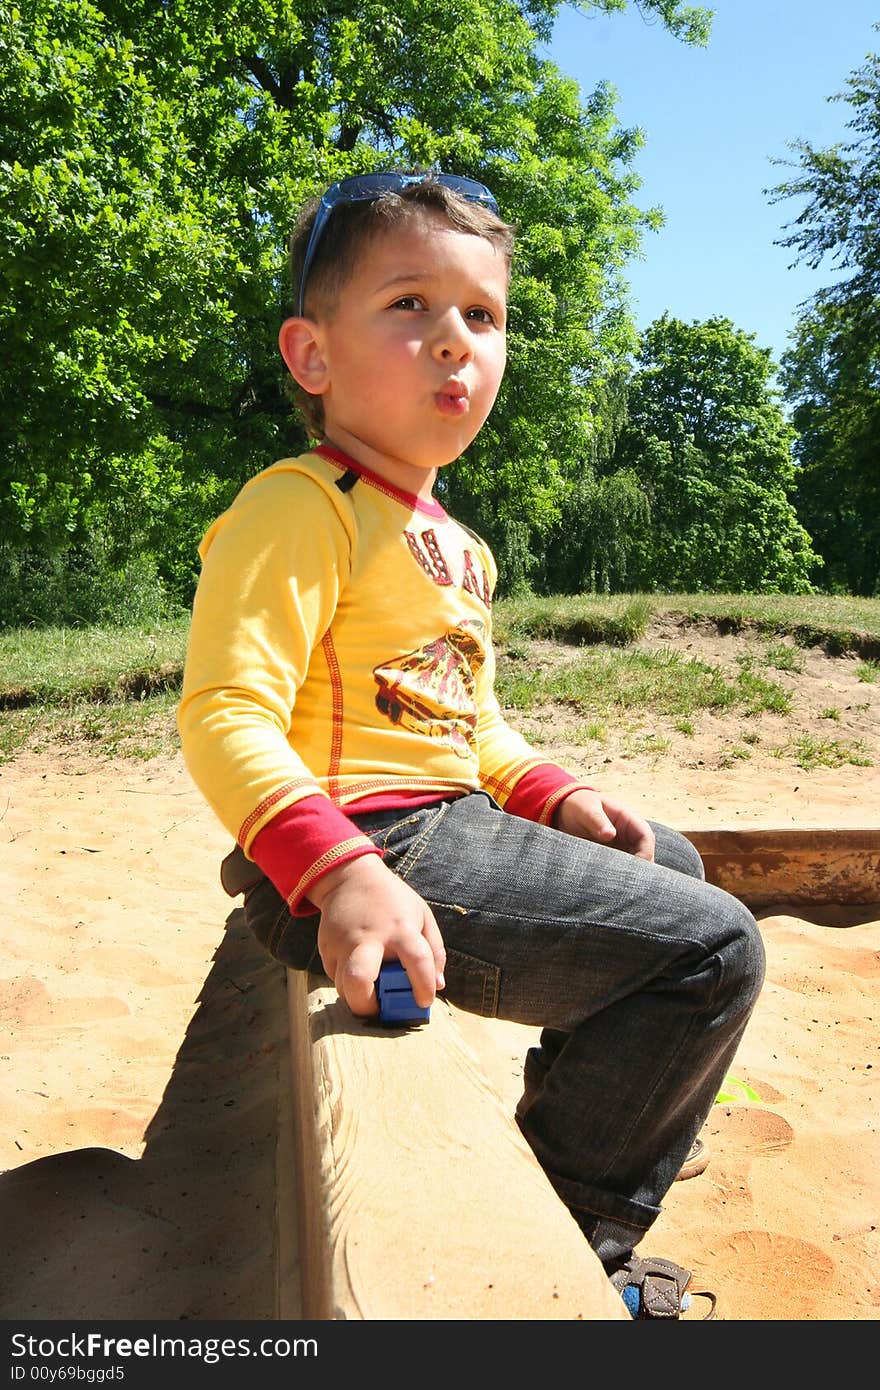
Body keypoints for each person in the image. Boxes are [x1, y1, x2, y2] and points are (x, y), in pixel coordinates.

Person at [177, 169, 765, 1320]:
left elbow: (465, 722)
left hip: (438, 821)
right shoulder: (302, 505)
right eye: (408, 306)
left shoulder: (455, 543)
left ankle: (604, 1113)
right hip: (363, 848)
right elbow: (225, 712)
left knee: (674, 867)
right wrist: (337, 868)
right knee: (714, 953)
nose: (453, 341)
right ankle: (574, 1227)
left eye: (481, 316)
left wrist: (556, 793)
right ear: (312, 356)